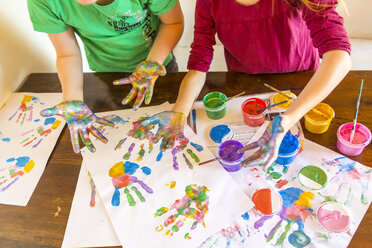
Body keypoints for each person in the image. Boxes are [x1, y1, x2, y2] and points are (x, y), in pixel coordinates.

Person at [142, 0, 351, 169]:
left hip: (300, 83)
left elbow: (339, 57)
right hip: (245, 82)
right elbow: (198, 65)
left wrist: (286, 121)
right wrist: (179, 112)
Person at [27, 0, 184, 153]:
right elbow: (67, 53)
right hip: (107, 75)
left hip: (158, 67)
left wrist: (153, 61)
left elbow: (173, 23)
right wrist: (72, 98)